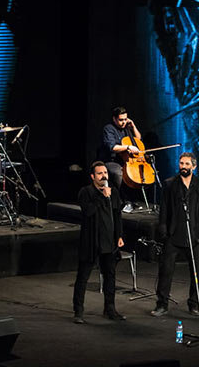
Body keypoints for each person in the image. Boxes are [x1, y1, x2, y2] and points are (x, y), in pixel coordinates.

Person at [151, 152, 199, 317]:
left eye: (187, 164)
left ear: (194, 166)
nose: (183, 167)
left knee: (196, 272)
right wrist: (163, 231)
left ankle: (193, 304)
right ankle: (162, 304)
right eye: (181, 163)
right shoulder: (170, 184)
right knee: (166, 270)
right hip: (174, 234)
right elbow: (164, 209)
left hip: (194, 235)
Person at [73, 161, 126, 323]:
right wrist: (101, 197)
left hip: (109, 242)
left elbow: (117, 215)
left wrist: (120, 236)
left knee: (110, 276)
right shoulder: (86, 192)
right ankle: (78, 312)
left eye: (105, 173)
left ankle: (110, 309)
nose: (104, 176)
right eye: (100, 173)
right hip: (91, 241)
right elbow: (88, 212)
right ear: (92, 176)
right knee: (83, 277)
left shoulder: (113, 192)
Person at [98, 106, 142, 189]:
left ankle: (134, 199)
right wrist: (128, 147)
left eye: (125, 119)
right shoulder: (109, 128)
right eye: (121, 120)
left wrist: (133, 126)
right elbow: (112, 148)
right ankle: (123, 199)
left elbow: (138, 140)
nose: (124, 122)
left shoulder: (127, 128)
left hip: (125, 160)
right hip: (112, 160)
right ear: (114, 119)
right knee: (119, 173)